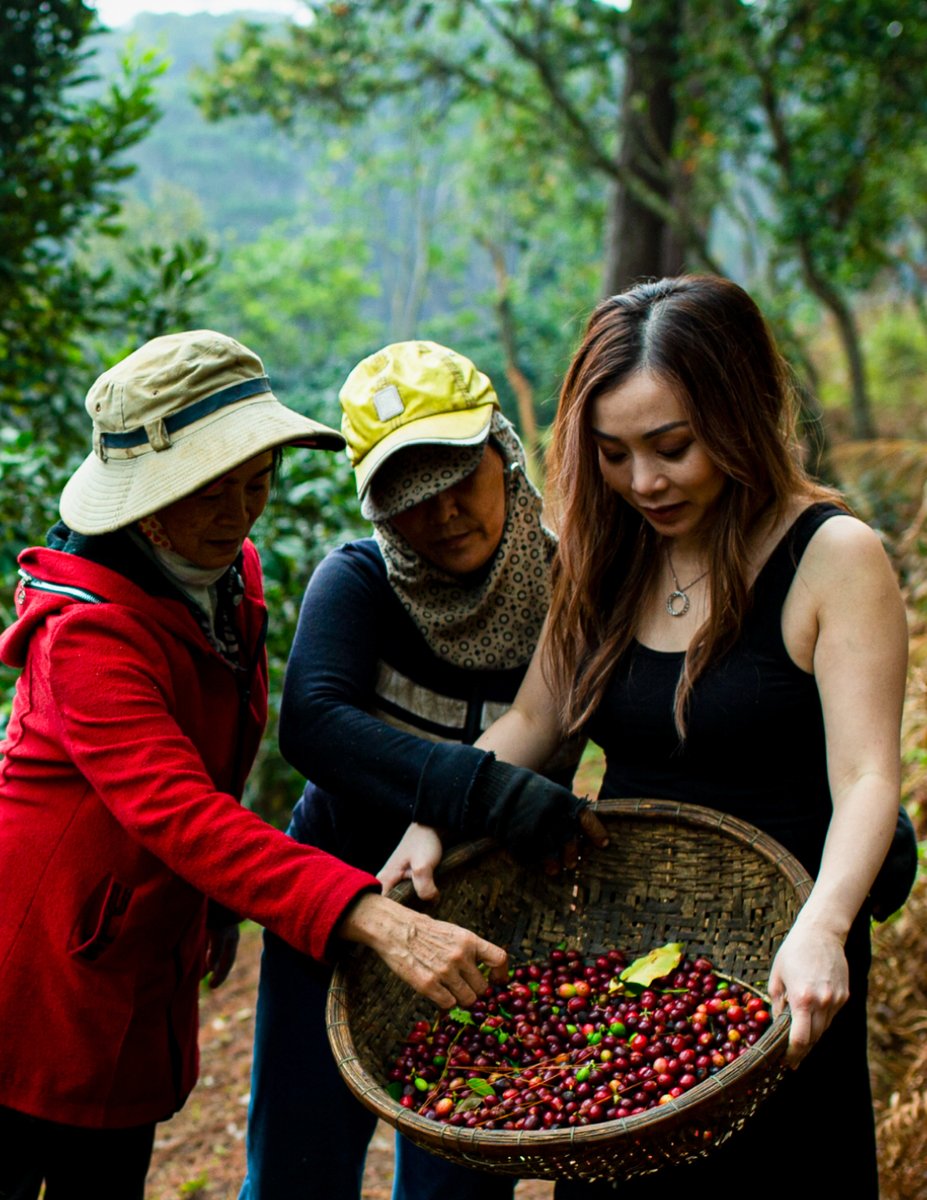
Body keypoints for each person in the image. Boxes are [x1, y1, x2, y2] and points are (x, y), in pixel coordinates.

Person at [388, 277, 909, 1197]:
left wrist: (823, 929)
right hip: (636, 957)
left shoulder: (832, 557)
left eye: (671, 448)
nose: (643, 483)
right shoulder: (606, 552)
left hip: (785, 952)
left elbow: (869, 777)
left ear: (738, 415)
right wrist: (440, 808)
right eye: (615, 454)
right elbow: (535, 721)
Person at [0, 330, 511, 1200]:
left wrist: (205, 916)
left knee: (109, 1170)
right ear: (144, 499)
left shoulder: (227, 575)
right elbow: (182, 811)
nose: (238, 511)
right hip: (39, 962)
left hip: (135, 942)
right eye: (207, 489)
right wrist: (377, 921)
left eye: (255, 480)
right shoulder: (86, 633)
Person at [239, 340, 607, 1200]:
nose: (441, 515)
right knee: (299, 1151)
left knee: (459, 1168)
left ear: (503, 455)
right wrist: (488, 789)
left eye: (457, 482)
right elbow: (316, 726)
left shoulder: (574, 588)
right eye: (407, 501)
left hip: (487, 917)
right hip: (336, 896)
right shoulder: (360, 580)